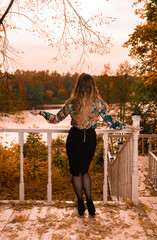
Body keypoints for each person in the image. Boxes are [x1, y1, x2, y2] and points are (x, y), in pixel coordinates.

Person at [30, 73, 140, 216]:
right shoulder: (98, 104)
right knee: (85, 171)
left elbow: (55, 119)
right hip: (89, 139)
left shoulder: (72, 103)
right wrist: (130, 127)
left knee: (76, 172)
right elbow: (112, 123)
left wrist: (40, 112)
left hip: (74, 138)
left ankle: (81, 204)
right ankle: (90, 202)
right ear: (92, 86)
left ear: (79, 86)